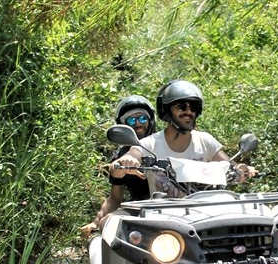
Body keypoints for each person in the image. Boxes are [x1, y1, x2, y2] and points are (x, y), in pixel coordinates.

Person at [112, 79, 255, 198]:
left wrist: (242, 170)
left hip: (207, 210)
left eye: (193, 107)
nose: (188, 112)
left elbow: (229, 165)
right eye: (181, 107)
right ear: (167, 110)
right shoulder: (148, 144)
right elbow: (132, 155)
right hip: (165, 217)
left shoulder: (205, 141)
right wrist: (125, 162)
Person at [80, 95, 155, 239]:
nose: (138, 124)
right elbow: (115, 198)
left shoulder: (163, 141)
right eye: (132, 120)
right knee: (107, 223)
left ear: (151, 121)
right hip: (139, 210)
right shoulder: (121, 157)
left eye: (143, 119)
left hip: (176, 206)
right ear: (123, 125)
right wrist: (96, 223)